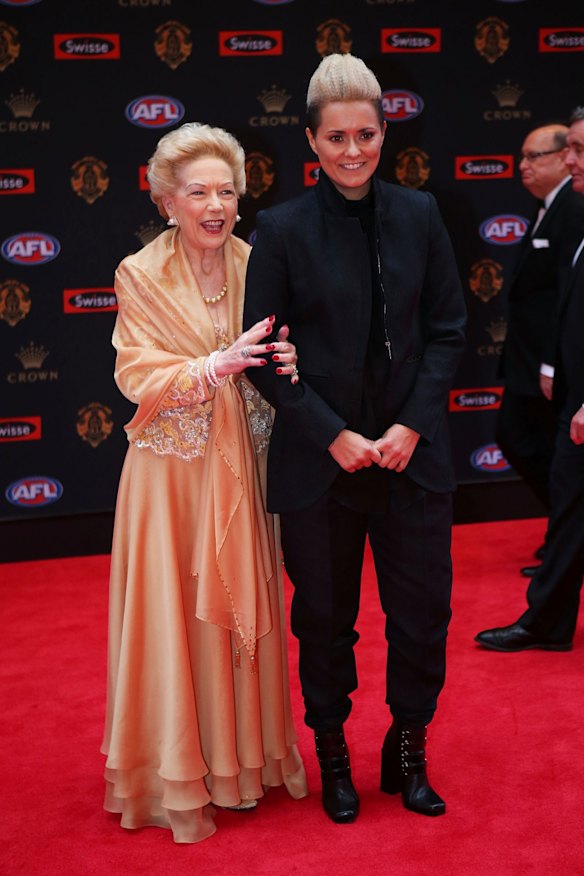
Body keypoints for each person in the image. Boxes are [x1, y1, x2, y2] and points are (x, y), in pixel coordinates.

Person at [242, 54, 466, 823]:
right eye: (335, 137)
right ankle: (332, 753)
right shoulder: (279, 228)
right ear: (311, 141)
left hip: (411, 460)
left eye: (365, 134)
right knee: (324, 620)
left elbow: (448, 331)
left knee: (421, 615)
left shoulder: (421, 214)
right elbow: (262, 353)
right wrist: (331, 433)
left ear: (383, 130)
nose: (352, 151)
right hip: (321, 466)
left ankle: (408, 749)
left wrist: (410, 426)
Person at [101, 121, 307, 844]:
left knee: (243, 607)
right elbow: (133, 374)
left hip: (245, 468)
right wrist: (209, 369)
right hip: (172, 479)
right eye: (197, 192)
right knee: (175, 615)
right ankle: (177, 772)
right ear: (166, 201)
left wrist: (285, 359)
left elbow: (292, 350)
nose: (215, 205)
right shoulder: (139, 273)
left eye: (226, 190)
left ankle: (242, 764)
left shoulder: (262, 260)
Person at [476, 107, 584, 653]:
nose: (570, 160)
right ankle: (547, 622)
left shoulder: (573, 213)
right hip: (568, 384)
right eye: (567, 151)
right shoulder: (566, 209)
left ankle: (546, 621)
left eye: (579, 152)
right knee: (569, 504)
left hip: (573, 389)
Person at [495, 124, 584, 576]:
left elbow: (568, 296)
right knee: (524, 440)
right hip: (531, 360)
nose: (523, 166)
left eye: (535, 157)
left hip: (552, 363)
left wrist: (552, 361)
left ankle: (566, 540)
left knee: (541, 446)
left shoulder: (572, 207)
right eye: (522, 157)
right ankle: (565, 538)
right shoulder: (548, 206)